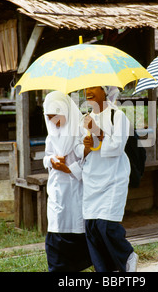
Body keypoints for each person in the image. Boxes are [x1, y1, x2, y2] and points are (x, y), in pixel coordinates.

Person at [79, 85, 138, 272]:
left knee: (106, 225)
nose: (88, 91)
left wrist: (97, 131)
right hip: (92, 179)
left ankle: (127, 255)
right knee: (92, 228)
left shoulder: (118, 116)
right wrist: (86, 147)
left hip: (113, 178)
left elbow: (116, 148)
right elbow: (81, 151)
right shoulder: (86, 119)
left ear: (105, 90)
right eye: (86, 88)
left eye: (93, 88)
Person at [42, 91, 92, 272]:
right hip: (57, 189)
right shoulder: (52, 135)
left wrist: (70, 168)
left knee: (76, 226)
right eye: (49, 118)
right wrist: (52, 161)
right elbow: (46, 157)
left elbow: (87, 162)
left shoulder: (80, 131)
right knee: (57, 224)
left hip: (76, 188)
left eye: (57, 117)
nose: (54, 122)